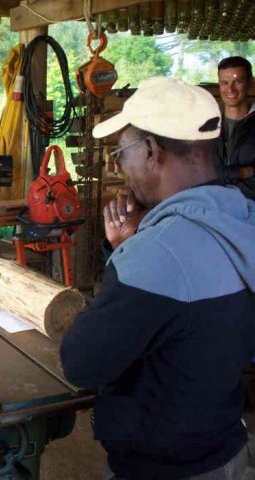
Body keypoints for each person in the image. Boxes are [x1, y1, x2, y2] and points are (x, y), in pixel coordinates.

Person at [60, 77, 255, 479]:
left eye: (121, 152)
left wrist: (130, 254)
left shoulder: (156, 254)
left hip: (164, 468)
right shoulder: (240, 220)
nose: (120, 167)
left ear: (151, 151)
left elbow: (82, 363)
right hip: (225, 449)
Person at [213, 56, 255, 200]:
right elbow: (192, 171)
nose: (230, 89)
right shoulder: (205, 123)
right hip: (209, 205)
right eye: (224, 83)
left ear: (251, 83)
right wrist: (240, 172)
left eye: (238, 82)